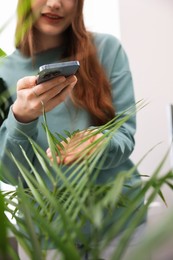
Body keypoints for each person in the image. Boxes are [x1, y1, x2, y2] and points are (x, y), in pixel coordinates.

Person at [0, 0, 146, 259]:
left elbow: (125, 134)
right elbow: (9, 174)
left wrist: (99, 141)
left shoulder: (107, 49)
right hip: (48, 232)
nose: (55, 3)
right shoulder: (3, 73)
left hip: (119, 222)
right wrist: (21, 118)